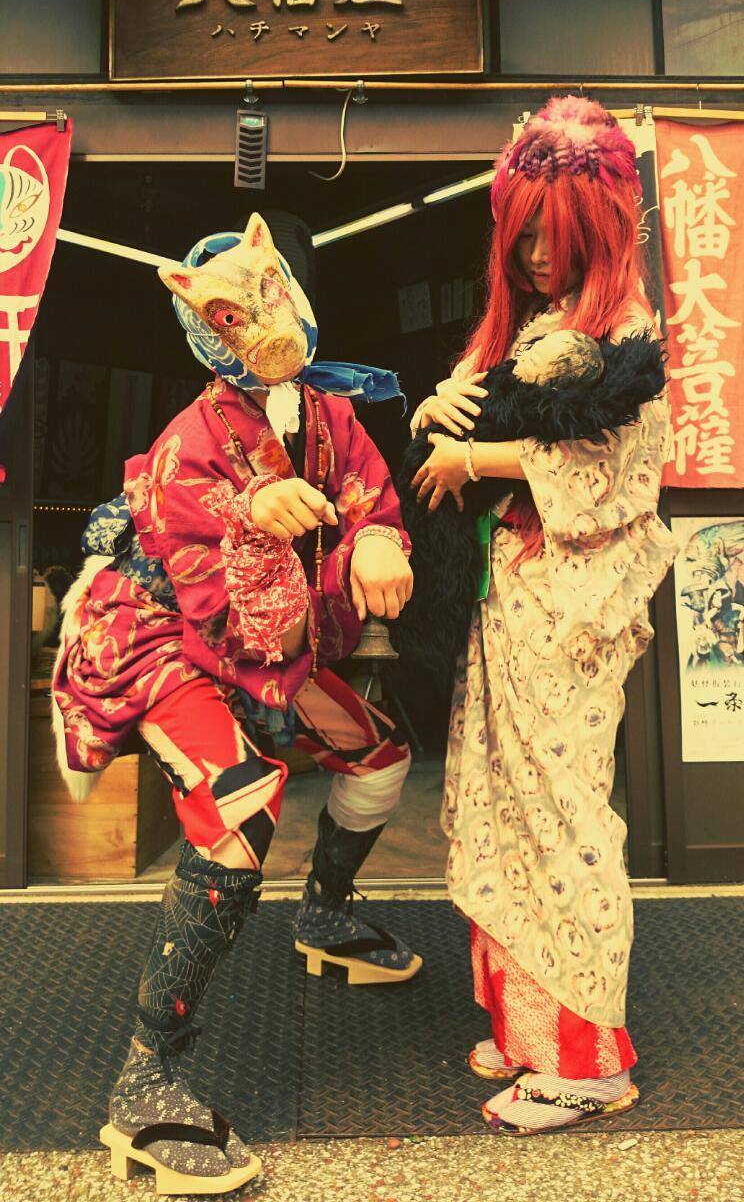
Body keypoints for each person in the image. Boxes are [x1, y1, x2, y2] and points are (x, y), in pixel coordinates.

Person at [53, 214, 419, 1192]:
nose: (264, 320)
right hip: (168, 636)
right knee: (238, 811)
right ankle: (144, 1085)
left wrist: (376, 540)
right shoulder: (192, 436)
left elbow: (372, 500)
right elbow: (195, 554)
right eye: (232, 313)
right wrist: (251, 515)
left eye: (270, 293)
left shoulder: (332, 413)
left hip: (276, 641)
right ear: (202, 327)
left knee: (380, 758)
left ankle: (325, 915)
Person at [408, 97, 678, 1135]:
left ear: (599, 227)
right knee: (501, 799)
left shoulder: (628, 331)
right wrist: (439, 408)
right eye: (519, 234)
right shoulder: (535, 323)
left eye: (550, 235)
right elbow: (478, 409)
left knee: (561, 812)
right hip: (511, 594)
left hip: (570, 608)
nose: (530, 255)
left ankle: (586, 1059)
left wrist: (475, 457)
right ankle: (528, 1030)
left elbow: (621, 479)